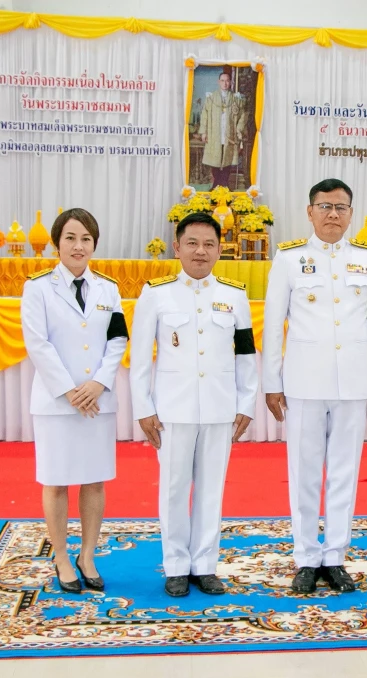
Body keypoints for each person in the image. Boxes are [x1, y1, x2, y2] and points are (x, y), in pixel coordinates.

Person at [262, 178, 367, 594]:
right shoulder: (289, 258)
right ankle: (305, 557)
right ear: (310, 211)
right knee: (303, 473)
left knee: (344, 473)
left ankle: (334, 556)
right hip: (304, 381)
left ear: (351, 214)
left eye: (340, 207)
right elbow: (273, 323)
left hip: (353, 380)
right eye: (325, 206)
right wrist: (272, 381)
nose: (333, 214)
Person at [130, 212, 258, 598]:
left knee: (211, 489)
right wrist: (143, 407)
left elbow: (246, 354)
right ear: (177, 247)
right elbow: (140, 357)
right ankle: (175, 566)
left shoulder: (234, 296)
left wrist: (246, 402)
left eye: (208, 244)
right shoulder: (156, 293)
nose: (200, 251)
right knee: (174, 488)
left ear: (220, 250)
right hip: (173, 409)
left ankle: (204, 565)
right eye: (192, 243)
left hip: (220, 408)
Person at [20, 208, 128, 593]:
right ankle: (63, 557)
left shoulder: (108, 289)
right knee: (56, 481)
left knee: (94, 480)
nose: (78, 246)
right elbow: (38, 344)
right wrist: (70, 390)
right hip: (56, 404)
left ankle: (87, 555)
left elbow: (118, 339)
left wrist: (98, 383)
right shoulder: (37, 288)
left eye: (86, 239)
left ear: (94, 244)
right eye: (70, 238)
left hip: (97, 403)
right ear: (57, 243)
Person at [199, 67, 248, 190]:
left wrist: (239, 129)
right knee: (215, 159)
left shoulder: (236, 99)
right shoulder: (211, 98)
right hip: (214, 134)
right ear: (218, 82)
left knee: (227, 159)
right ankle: (216, 185)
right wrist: (203, 132)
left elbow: (242, 115)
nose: (225, 83)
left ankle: (225, 185)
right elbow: (204, 115)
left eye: (227, 81)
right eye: (222, 80)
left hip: (229, 135)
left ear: (230, 82)